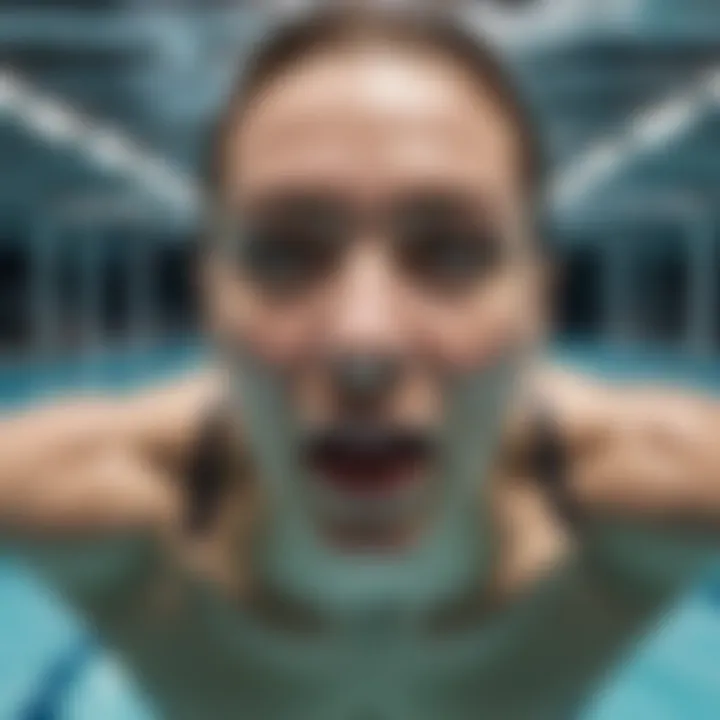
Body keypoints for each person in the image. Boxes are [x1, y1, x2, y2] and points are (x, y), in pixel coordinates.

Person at [2, 6, 720, 719]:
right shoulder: (97, 507)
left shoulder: (652, 496)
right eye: (285, 253)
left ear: (538, 298)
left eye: (451, 252)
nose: (363, 342)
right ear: (209, 296)